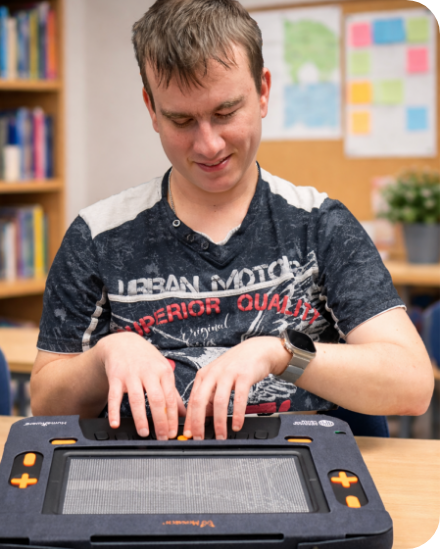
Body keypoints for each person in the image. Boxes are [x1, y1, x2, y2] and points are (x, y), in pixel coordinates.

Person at [31, 0, 433, 441]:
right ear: (151, 109)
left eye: (225, 112)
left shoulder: (319, 226)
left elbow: (412, 384)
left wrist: (281, 354)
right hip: (146, 473)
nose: (208, 144)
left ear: (262, 91)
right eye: (181, 119)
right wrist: (106, 355)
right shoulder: (98, 236)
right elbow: (46, 402)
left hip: (298, 469)